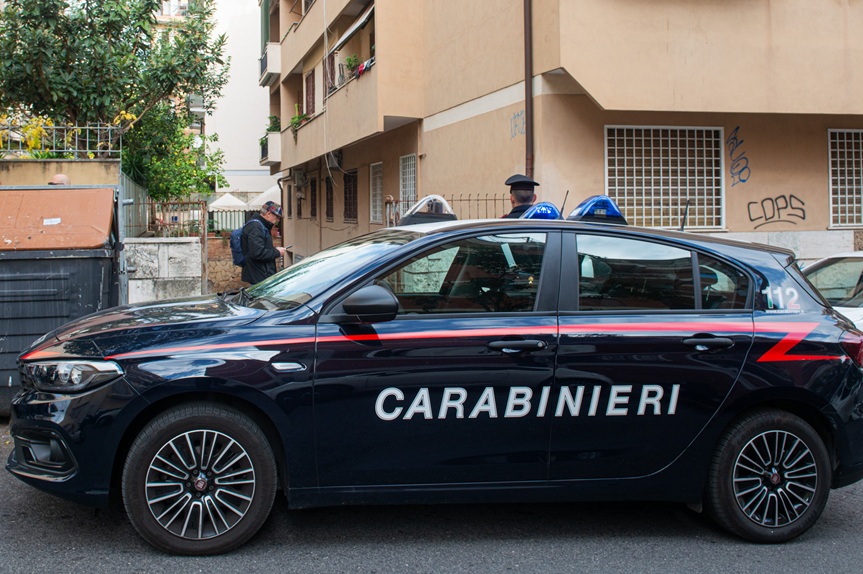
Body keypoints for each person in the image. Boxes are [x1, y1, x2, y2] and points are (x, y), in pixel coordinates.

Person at [241, 201, 286, 284]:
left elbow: (259, 249)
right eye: (277, 217)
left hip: (259, 274)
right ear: (268, 214)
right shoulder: (256, 227)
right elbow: (257, 253)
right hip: (259, 276)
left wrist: (274, 250)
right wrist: (277, 252)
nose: (278, 221)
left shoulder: (259, 225)